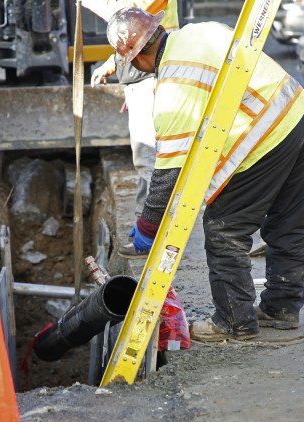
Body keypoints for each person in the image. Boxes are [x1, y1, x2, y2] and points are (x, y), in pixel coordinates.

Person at [106, 7, 304, 341]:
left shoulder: (173, 88)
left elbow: (168, 175)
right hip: (300, 113)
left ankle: (234, 323)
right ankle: (281, 309)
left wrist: (147, 228)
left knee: (224, 229)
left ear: (135, 60)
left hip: (266, 138)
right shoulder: (199, 30)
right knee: (288, 223)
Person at [81, 0, 179, 258]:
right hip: (144, 72)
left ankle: (152, 235)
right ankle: (145, 225)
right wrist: (114, 66)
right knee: (145, 160)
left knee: (148, 158)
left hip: (151, 73)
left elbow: (136, 21)